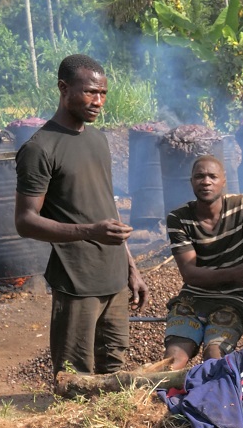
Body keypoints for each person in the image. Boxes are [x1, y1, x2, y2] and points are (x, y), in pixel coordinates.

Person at [14, 53, 148, 374]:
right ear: (63, 88)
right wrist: (90, 232)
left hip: (114, 279)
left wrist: (131, 268)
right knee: (75, 377)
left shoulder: (98, 139)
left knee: (114, 371)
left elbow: (107, 211)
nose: (99, 101)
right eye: (90, 92)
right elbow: (25, 221)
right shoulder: (40, 148)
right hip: (76, 281)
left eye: (103, 93)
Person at [164, 156, 243, 370]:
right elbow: (189, 274)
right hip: (191, 299)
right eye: (199, 176)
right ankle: (160, 399)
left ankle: (212, 401)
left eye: (212, 176)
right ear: (191, 182)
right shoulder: (179, 218)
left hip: (231, 300)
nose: (206, 181)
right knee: (173, 360)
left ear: (224, 181)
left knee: (215, 357)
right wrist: (235, 274)